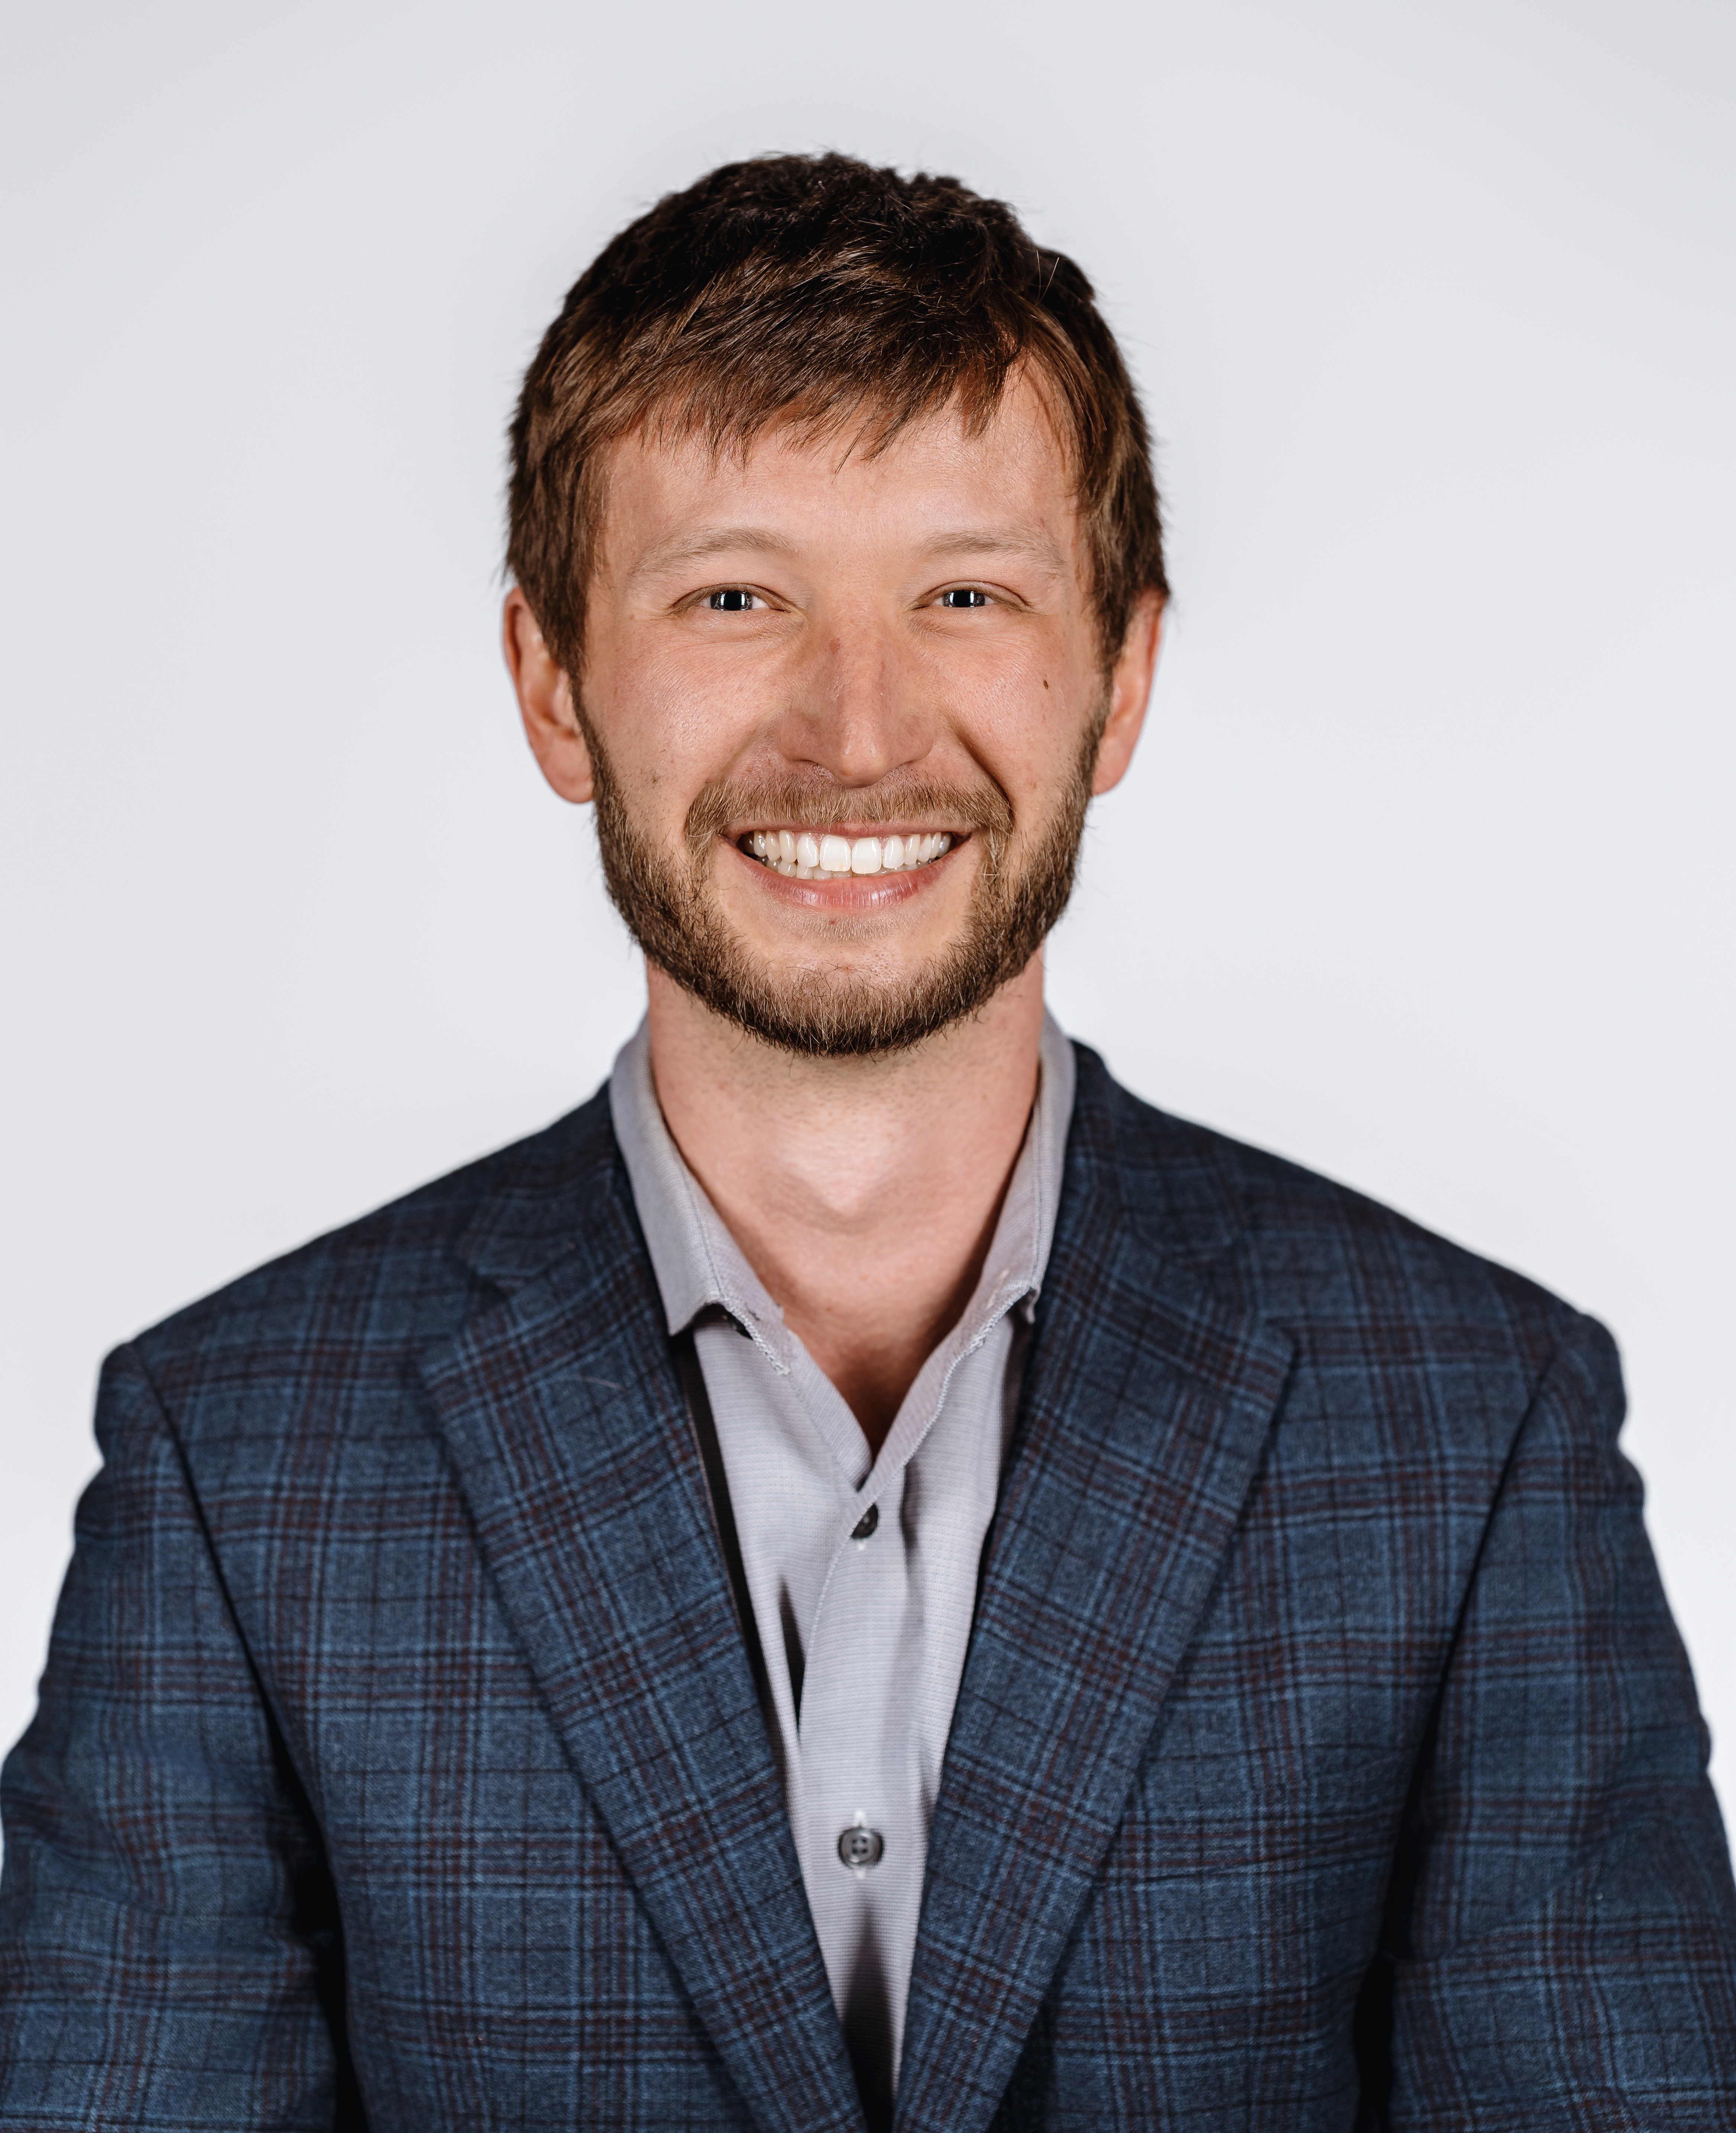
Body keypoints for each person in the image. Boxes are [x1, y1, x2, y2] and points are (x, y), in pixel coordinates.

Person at [2, 152, 1732, 2133]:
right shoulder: (238, 1466)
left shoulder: (1475, 1428)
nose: (856, 729)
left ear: (1123, 679)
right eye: (735, 597)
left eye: (966, 595)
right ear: (554, 684)